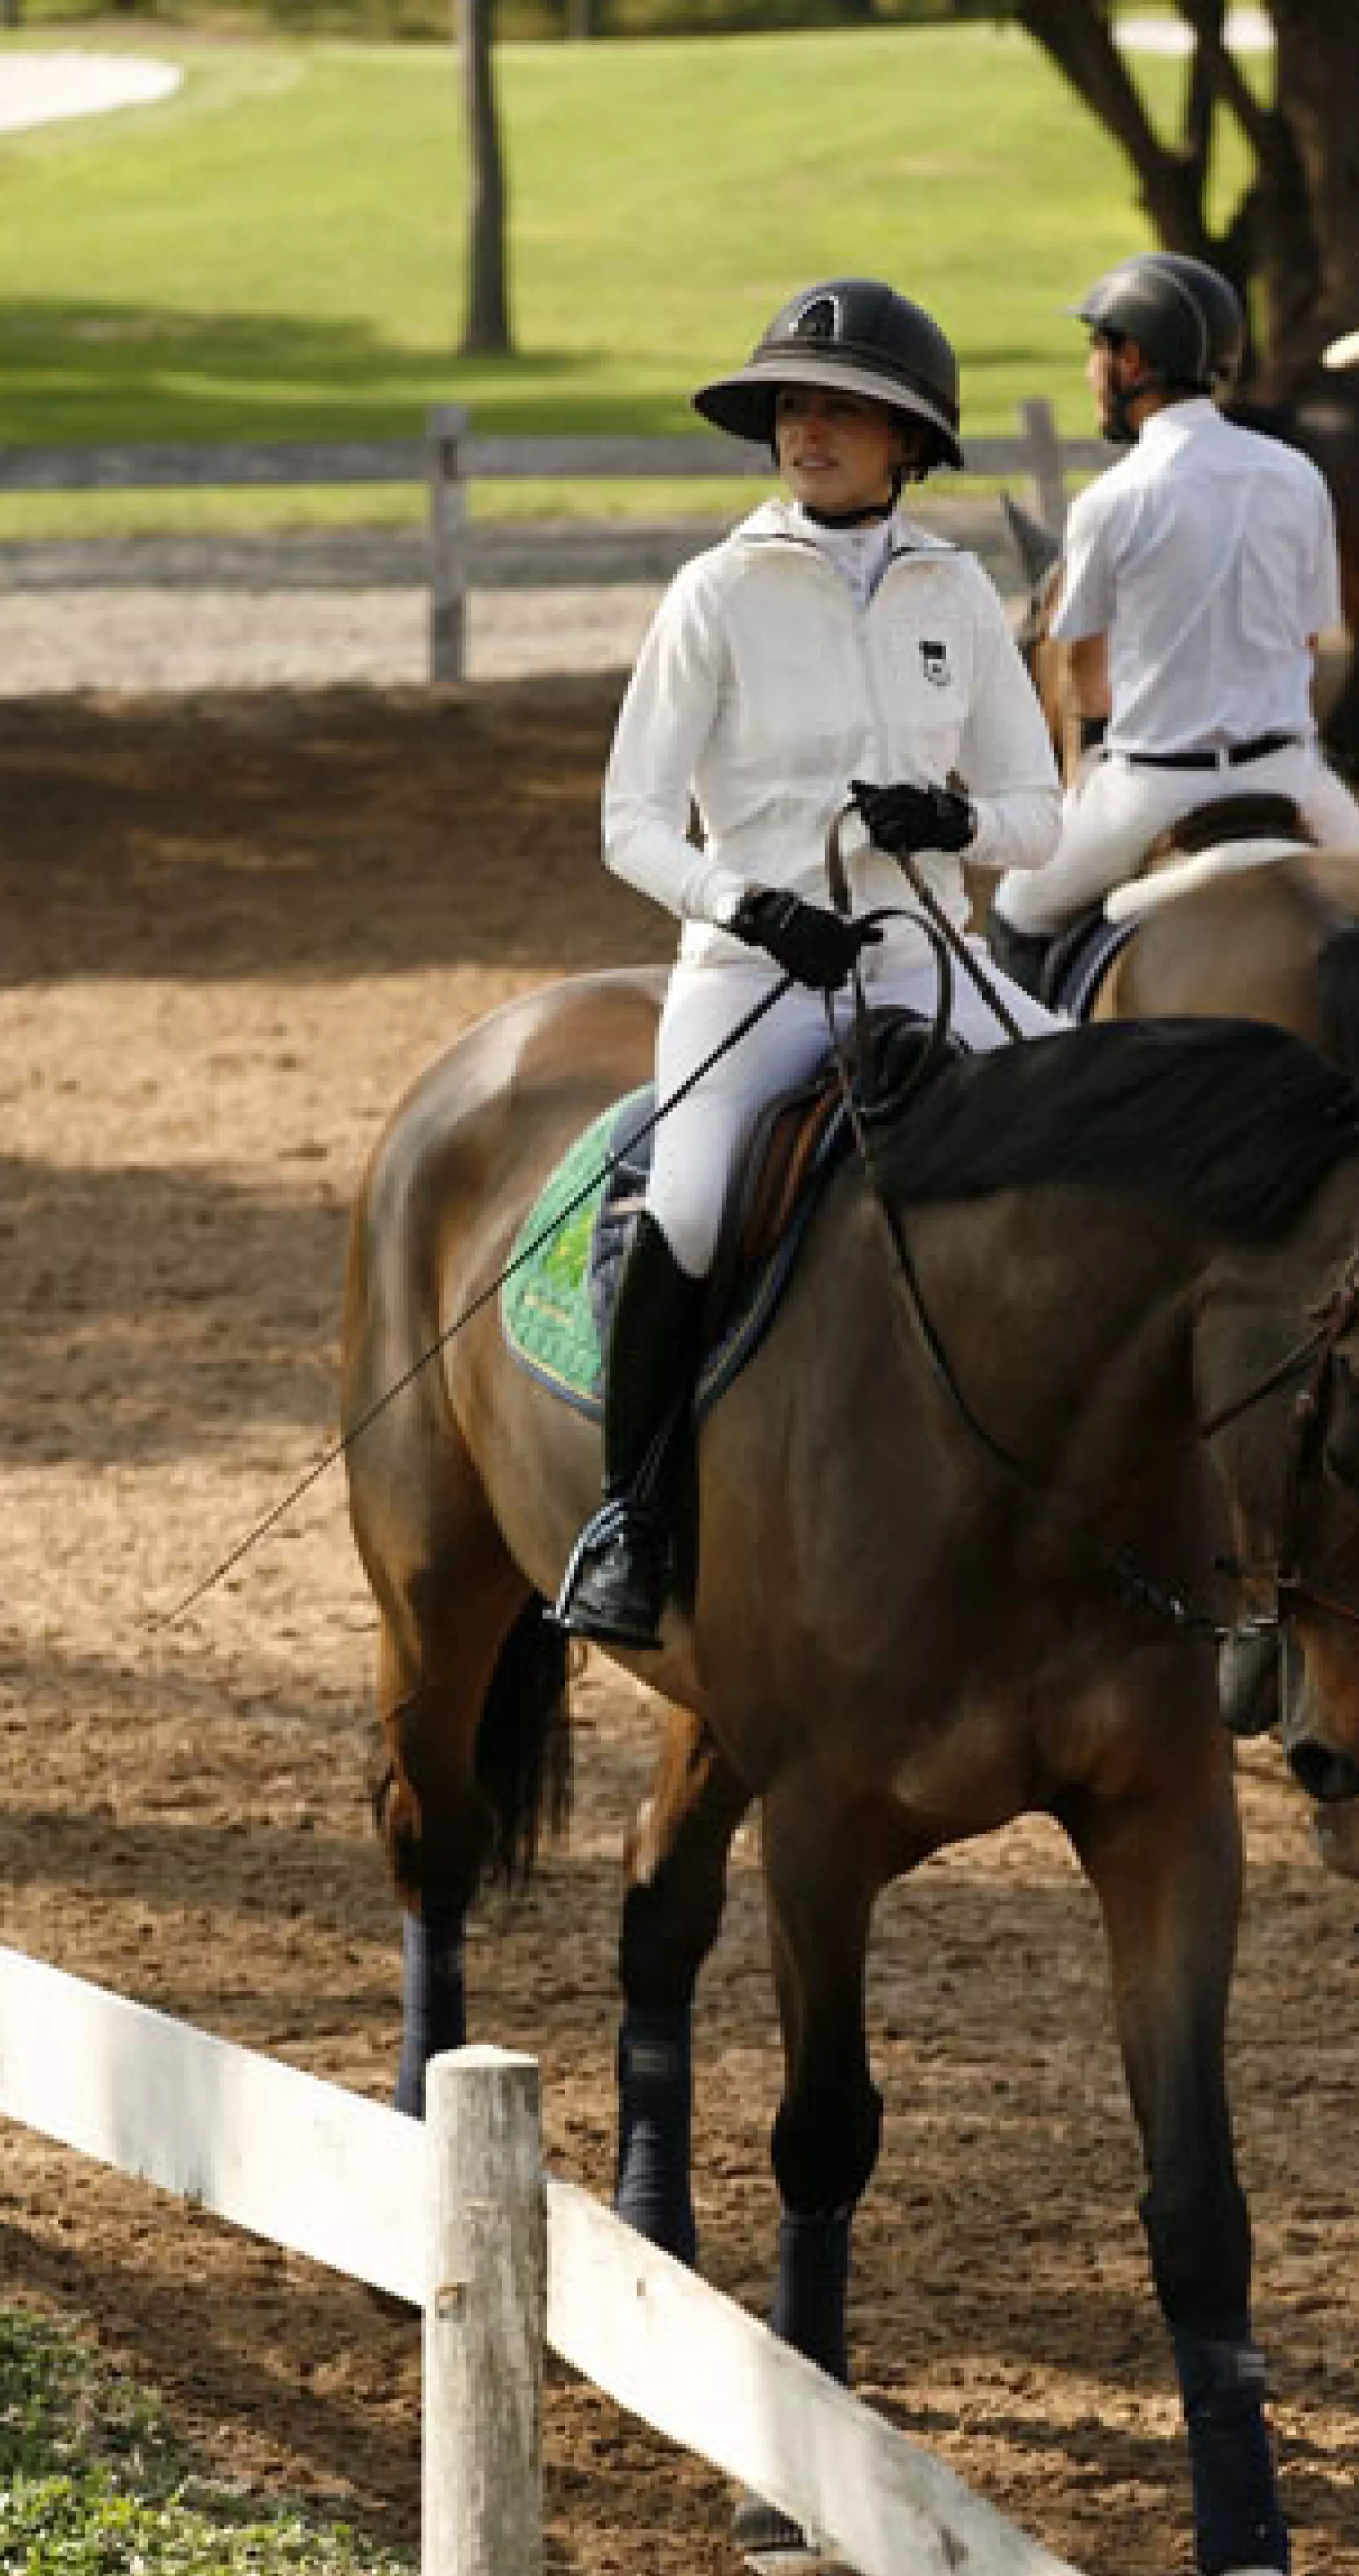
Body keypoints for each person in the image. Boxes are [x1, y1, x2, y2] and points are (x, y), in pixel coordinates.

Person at [551, 277, 1066, 1653]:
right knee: (700, 1203)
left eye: (841, 408)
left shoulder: (955, 590)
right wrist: (748, 905)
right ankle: (630, 1518)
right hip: (753, 979)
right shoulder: (715, 592)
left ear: (908, 442)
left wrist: (956, 822)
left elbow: (1043, 814)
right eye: (792, 405)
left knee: (1097, 1124)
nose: (808, 427)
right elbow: (630, 824)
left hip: (925, 960)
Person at [990, 251, 1359, 969]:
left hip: (1155, 790)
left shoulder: (1109, 502)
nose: (1088, 373)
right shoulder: (1296, 477)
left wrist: (1099, 753)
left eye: (1094, 351)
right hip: (1291, 776)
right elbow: (1307, 642)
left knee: (1014, 916)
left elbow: (1082, 670)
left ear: (1131, 359)